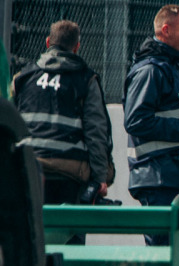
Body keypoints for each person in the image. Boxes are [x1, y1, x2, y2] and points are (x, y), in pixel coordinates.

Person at [10, 20, 114, 242]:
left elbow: (10, 126)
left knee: (32, 241)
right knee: (70, 242)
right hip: (70, 177)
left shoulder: (23, 78)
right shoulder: (86, 79)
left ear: (48, 42)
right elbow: (96, 132)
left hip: (31, 171)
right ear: (77, 47)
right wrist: (100, 178)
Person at [123, 4, 179, 245]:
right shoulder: (150, 70)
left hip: (172, 178)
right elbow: (136, 121)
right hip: (159, 180)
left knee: (178, 259)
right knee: (164, 258)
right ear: (166, 30)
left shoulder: (170, 68)